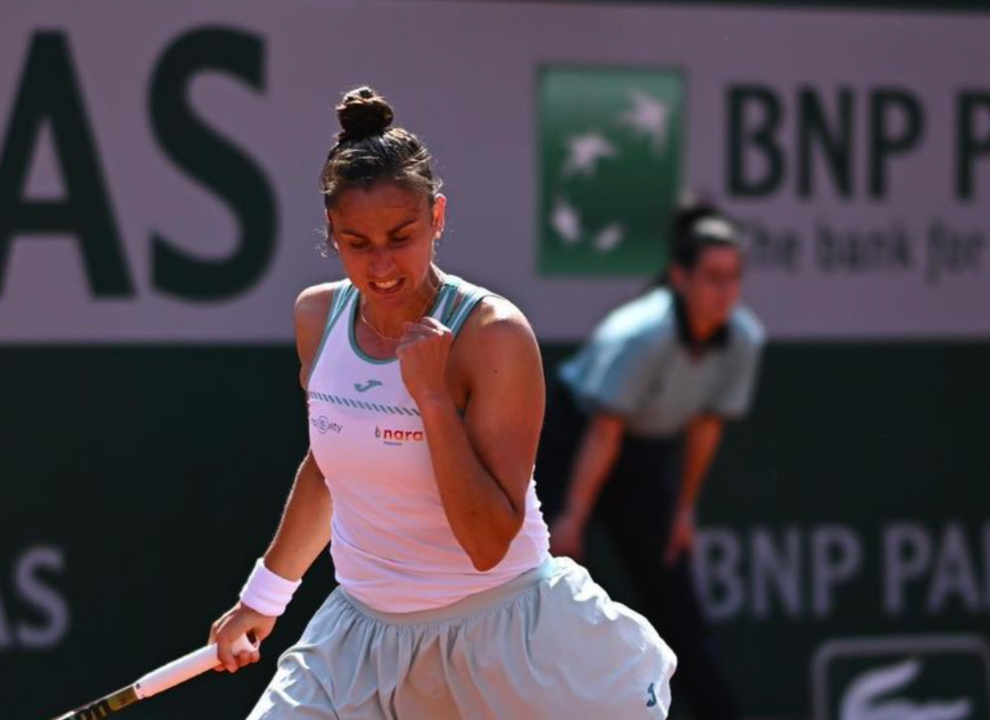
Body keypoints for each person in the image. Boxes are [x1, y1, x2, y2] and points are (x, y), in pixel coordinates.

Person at [207, 86, 676, 720]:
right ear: (331, 234)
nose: (380, 266)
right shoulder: (317, 316)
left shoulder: (494, 335)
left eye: (400, 236)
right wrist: (264, 596)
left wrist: (430, 399)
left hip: (504, 644)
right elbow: (331, 468)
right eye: (356, 242)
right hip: (360, 641)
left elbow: (487, 541)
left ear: (438, 217)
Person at [534, 200, 765, 720]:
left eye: (733, 278)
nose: (724, 291)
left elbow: (705, 426)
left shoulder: (743, 339)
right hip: (575, 447)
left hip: (642, 458)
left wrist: (683, 510)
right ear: (680, 278)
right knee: (543, 596)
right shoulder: (640, 333)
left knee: (678, 609)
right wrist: (573, 517)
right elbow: (604, 430)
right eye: (711, 277)